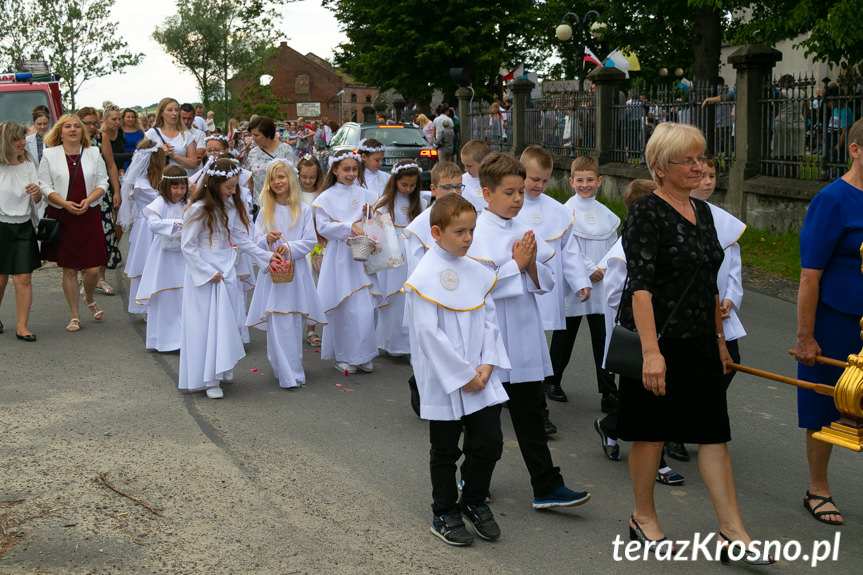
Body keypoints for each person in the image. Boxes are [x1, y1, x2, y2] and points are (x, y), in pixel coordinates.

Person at [618, 122, 771, 563]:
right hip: (657, 341)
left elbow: (707, 283)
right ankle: (643, 517)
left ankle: (733, 534)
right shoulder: (647, 211)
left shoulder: (703, 213)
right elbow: (640, 288)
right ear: (661, 168)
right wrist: (650, 353)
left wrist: (721, 342)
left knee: (713, 435)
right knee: (650, 434)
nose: (698, 167)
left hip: (701, 339)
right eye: (688, 160)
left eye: (701, 159)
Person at [468, 152, 591, 510]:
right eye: (510, 193)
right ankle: (471, 479)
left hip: (523, 338)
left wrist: (532, 265)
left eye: (521, 191)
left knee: (531, 418)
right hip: (490, 341)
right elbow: (476, 287)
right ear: (487, 194)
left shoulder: (524, 229)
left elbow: (546, 283)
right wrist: (515, 266)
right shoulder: (475, 233)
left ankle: (546, 486)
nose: (518, 199)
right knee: (484, 423)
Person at [405, 193, 510, 546]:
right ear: (436, 232)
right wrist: (463, 375)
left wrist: (486, 364)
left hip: (482, 375)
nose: (468, 238)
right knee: (445, 450)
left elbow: (490, 321)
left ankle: (474, 501)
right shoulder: (425, 275)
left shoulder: (477, 271)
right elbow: (427, 334)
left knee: (489, 443)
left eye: (471, 231)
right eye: (459, 232)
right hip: (447, 379)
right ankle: (444, 512)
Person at [793, 118, 863, 527]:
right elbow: (809, 274)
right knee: (826, 406)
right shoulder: (832, 200)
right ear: (855, 150)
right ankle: (818, 489)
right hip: (836, 320)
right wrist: (806, 335)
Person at [179, 158, 280, 399]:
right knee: (205, 324)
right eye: (229, 187)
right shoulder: (198, 209)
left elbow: (242, 240)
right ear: (214, 184)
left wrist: (267, 256)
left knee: (226, 322)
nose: (234, 191)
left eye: (235, 186)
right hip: (205, 270)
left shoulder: (232, 207)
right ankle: (207, 378)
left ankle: (221, 369)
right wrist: (205, 271)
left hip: (226, 267)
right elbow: (188, 246)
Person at [513, 147, 591, 435]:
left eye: (545, 181)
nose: (539, 185)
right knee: (519, 347)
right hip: (516, 291)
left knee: (535, 349)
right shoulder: (510, 206)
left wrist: (580, 279)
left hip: (547, 287)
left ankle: (536, 408)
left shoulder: (558, 211)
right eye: (534, 179)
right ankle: (516, 396)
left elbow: (569, 251)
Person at [545, 156, 619, 412]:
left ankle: (608, 389)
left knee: (603, 338)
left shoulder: (607, 215)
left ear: (599, 181)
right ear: (571, 181)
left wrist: (603, 267)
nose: (585, 184)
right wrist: (587, 269)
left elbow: (614, 245)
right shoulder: (565, 212)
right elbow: (567, 246)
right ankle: (552, 380)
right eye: (580, 180)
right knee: (565, 335)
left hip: (602, 284)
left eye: (590, 180)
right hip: (575, 283)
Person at [245, 160, 325, 388]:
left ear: (291, 179)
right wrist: (266, 240)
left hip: (295, 275)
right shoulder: (265, 210)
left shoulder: (303, 209)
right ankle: (286, 373)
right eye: (272, 178)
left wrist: (288, 247)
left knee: (293, 321)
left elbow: (309, 241)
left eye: (281, 177)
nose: (277, 182)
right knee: (278, 321)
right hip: (274, 275)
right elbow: (255, 242)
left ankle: (292, 369)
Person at [38, 114, 109, 333]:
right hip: (63, 214)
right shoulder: (50, 154)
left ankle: (88, 297)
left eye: (76, 126)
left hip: (89, 214)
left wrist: (88, 200)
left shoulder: (93, 152)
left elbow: (102, 182)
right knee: (68, 269)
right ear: (59, 132)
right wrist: (64, 203)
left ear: (83, 131)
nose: (72, 130)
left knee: (93, 269)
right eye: (67, 126)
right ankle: (74, 315)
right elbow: (44, 185)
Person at [312, 150, 379, 374]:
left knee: (364, 308)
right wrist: (348, 226)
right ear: (335, 170)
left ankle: (363, 354)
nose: (351, 174)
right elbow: (323, 228)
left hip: (362, 256)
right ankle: (344, 355)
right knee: (344, 307)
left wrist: (367, 216)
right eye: (346, 169)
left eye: (354, 169)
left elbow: (376, 221)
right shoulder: (326, 198)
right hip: (340, 258)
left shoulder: (366, 194)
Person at [134, 165, 189, 351]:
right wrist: (179, 224)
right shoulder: (160, 203)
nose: (179, 191)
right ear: (167, 186)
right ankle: (162, 340)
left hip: (183, 257)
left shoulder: (187, 203)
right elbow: (154, 224)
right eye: (175, 187)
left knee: (182, 294)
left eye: (182, 187)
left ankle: (181, 340)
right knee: (165, 294)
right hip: (163, 258)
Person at [374, 160, 425, 357]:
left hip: (412, 253)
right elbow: (378, 231)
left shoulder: (421, 202)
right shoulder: (385, 203)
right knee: (393, 299)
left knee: (408, 299)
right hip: (392, 255)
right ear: (395, 181)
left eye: (412, 185)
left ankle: (408, 346)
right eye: (404, 185)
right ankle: (391, 343)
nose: (408, 189)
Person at [0, 121, 42, 341]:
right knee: (0, 279)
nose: (23, 142)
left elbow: (37, 199)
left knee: (23, 278)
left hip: (24, 225)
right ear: (6, 141)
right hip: (1, 226)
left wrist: (36, 192)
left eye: (24, 138)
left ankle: (22, 326)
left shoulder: (27, 164)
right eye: (18, 139)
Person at [297, 155, 325, 346]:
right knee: (298, 288)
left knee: (314, 288)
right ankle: (295, 324)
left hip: (316, 246)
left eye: (311, 177)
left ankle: (311, 328)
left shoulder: (322, 195)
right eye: (304, 177)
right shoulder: (294, 195)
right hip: (299, 245)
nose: (307, 181)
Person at [244, 115, 298, 203]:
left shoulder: (285, 150)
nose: (253, 138)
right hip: (259, 205)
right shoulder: (252, 153)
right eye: (252, 134)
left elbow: (293, 179)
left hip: (282, 204)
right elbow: (250, 181)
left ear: (268, 134)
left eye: (256, 135)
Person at [460, 139, 491, 213]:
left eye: (469, 166)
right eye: (464, 165)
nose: (465, 169)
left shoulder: (496, 180)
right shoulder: (462, 180)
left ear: (483, 163)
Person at [179, 103, 206, 167]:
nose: (186, 121)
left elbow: (198, 155)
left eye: (189, 118)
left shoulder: (200, 134)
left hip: (195, 174)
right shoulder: (172, 133)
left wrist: (176, 154)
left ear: (194, 117)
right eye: (183, 118)